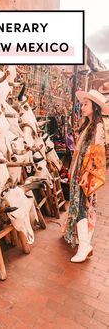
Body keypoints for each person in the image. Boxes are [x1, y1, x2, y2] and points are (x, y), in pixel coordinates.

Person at [63, 89, 109, 263]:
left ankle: (84, 245)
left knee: (83, 207)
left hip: (86, 175)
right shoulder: (88, 125)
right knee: (79, 205)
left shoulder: (97, 126)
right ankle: (83, 243)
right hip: (79, 173)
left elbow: (97, 153)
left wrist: (86, 173)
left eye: (85, 104)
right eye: (82, 104)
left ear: (95, 107)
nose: (81, 107)